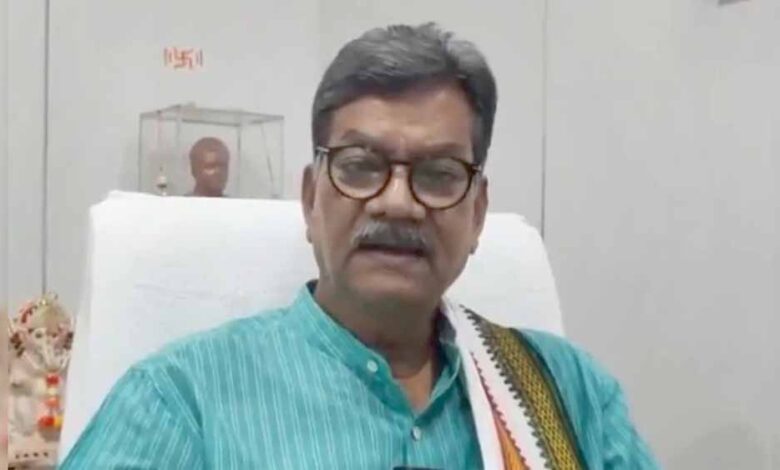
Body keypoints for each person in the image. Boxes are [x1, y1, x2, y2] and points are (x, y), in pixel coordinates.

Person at [61, 23, 658, 469]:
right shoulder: (181, 401)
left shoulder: (569, 394)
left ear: (477, 214)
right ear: (310, 199)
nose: (397, 203)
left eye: (439, 174)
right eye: (360, 165)